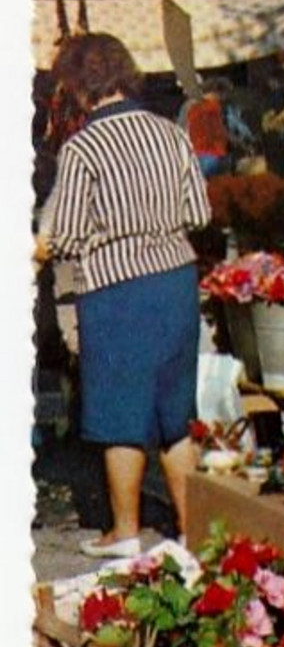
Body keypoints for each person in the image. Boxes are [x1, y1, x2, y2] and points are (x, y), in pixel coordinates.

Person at [36, 33, 212, 558]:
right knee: (176, 416)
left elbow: (63, 234)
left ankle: (125, 530)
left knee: (120, 415)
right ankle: (192, 530)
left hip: (117, 291)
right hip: (176, 282)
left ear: (78, 87)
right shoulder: (169, 133)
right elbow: (199, 214)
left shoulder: (83, 147)